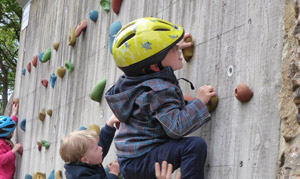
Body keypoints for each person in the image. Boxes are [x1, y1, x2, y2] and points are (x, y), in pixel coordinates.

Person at [105, 17, 216, 179]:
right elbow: (176, 128)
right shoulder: (157, 92)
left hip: (132, 158)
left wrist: (174, 47)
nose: (177, 50)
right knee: (194, 146)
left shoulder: (136, 79)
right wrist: (199, 101)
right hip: (140, 159)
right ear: (154, 66)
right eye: (170, 49)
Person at [0, 102, 23, 179]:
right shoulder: (0, 143)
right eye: (11, 131)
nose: (13, 132)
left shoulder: (4, 138)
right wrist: (13, 150)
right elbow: (2, 160)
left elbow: (8, 124)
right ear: (4, 132)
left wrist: (14, 113)